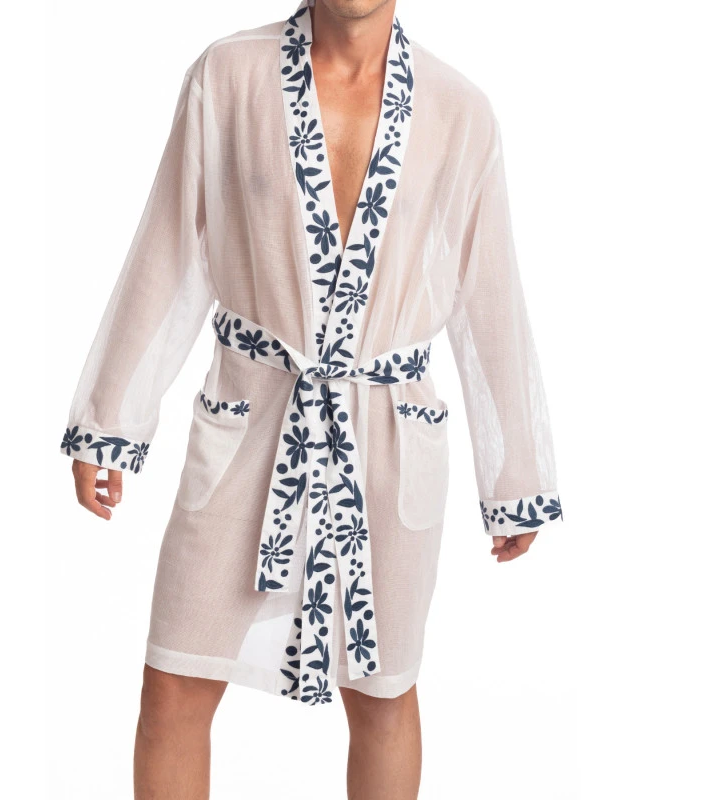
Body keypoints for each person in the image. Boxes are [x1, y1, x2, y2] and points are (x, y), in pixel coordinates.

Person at [59, 0, 563, 796]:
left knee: (383, 696)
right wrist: (109, 420)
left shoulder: (459, 111)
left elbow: (490, 293)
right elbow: (170, 246)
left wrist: (516, 479)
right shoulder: (229, 75)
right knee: (173, 689)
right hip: (250, 424)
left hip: (388, 440)